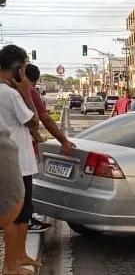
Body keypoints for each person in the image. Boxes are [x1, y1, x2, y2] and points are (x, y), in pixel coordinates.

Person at [0, 44, 41, 274]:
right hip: (18, 163)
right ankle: (10, 265)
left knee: (23, 215)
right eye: (24, 68)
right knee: (16, 217)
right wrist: (27, 93)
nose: (25, 72)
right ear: (17, 68)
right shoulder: (11, 94)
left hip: (13, 160)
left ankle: (19, 256)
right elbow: (34, 122)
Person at [25, 63, 76, 233]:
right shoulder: (28, 91)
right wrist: (64, 141)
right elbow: (43, 118)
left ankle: (26, 216)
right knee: (25, 183)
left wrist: (38, 138)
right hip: (20, 149)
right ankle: (27, 219)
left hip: (14, 146)